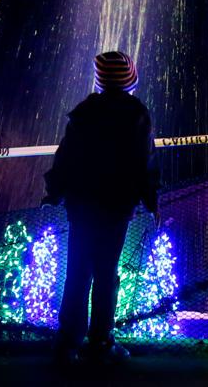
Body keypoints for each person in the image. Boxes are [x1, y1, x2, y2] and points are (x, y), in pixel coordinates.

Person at [42, 51, 159, 364]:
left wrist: (54, 192)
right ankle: (100, 343)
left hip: (81, 204)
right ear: (130, 80)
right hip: (116, 205)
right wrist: (150, 200)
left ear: (99, 80)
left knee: (77, 270)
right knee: (106, 273)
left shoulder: (84, 112)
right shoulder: (136, 114)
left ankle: (67, 342)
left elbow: (65, 156)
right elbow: (144, 161)